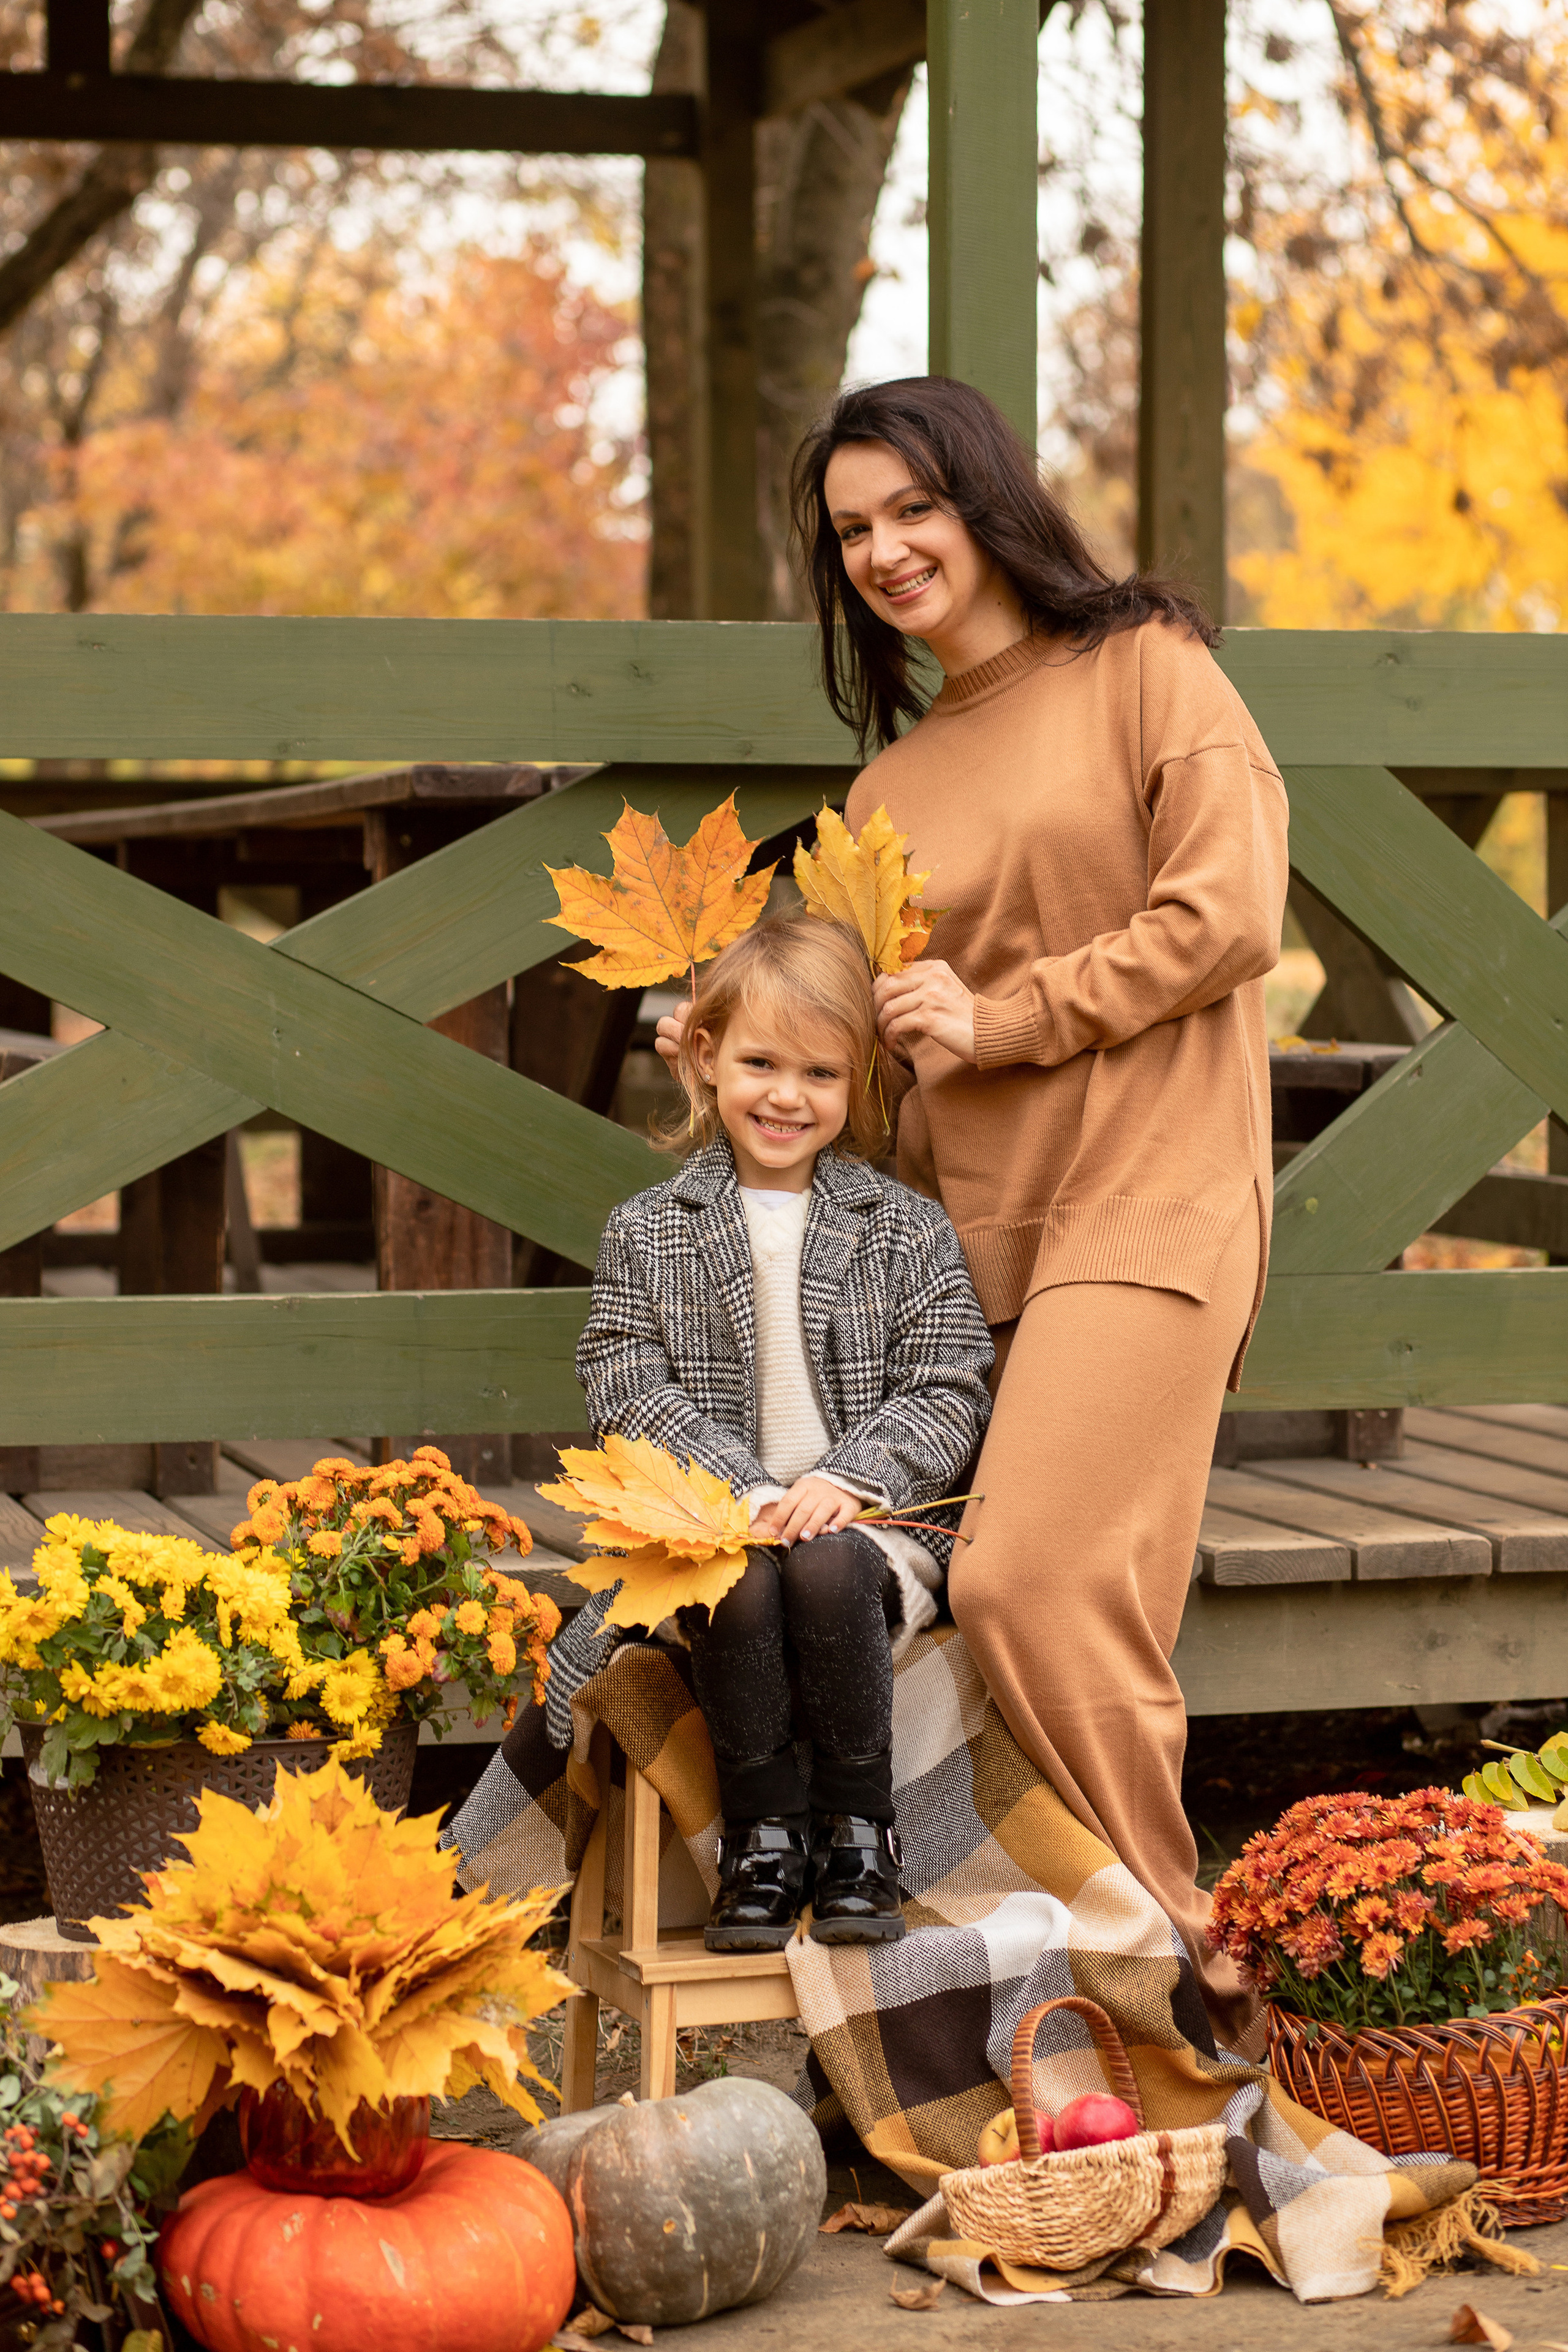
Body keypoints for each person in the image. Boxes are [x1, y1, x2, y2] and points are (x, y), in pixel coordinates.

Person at [660, 379, 1287, 2048]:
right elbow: (866, 1059)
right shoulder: (888, 796)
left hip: (1152, 1190)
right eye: (852, 530)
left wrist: (1008, 1015)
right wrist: (727, 1034)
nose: (883, 550)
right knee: (971, 1600)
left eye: (910, 510)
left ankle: (1194, 1961)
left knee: (1030, 1583)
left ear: (985, 501)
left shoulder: (1147, 667)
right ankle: (1080, 1986)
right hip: (971, 1237)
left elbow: (1231, 916)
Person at [581, 913, 993, 1953]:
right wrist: (746, 1492)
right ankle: (763, 1841)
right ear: (708, 1059)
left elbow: (948, 1383)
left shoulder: (903, 1227)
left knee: (822, 1570)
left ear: (857, 1083)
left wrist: (850, 1478)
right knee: (748, 1577)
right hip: (717, 1520)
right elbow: (623, 1380)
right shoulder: (651, 1228)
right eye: (761, 1063)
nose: (785, 1095)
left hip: (876, 1521)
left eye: (819, 1072)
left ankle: (860, 1833)